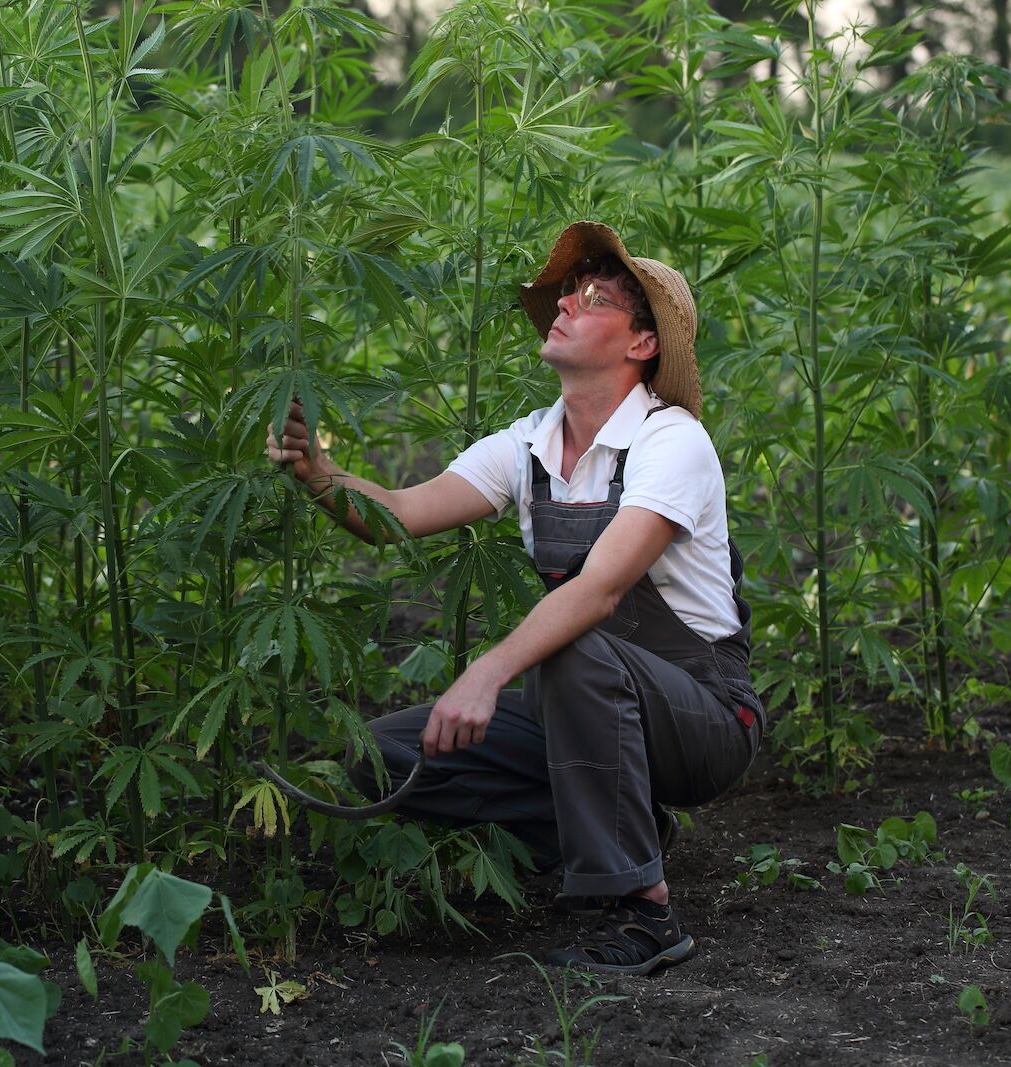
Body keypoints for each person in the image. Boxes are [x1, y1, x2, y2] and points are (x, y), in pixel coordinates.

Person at [264, 221, 764, 976]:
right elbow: (400, 513)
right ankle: (633, 832)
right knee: (391, 753)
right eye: (567, 291)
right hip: (591, 703)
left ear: (641, 344)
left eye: (593, 297)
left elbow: (598, 591)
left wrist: (488, 671)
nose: (564, 302)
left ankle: (644, 912)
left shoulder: (672, 442)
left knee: (574, 645)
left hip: (705, 716)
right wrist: (322, 477)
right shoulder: (529, 444)